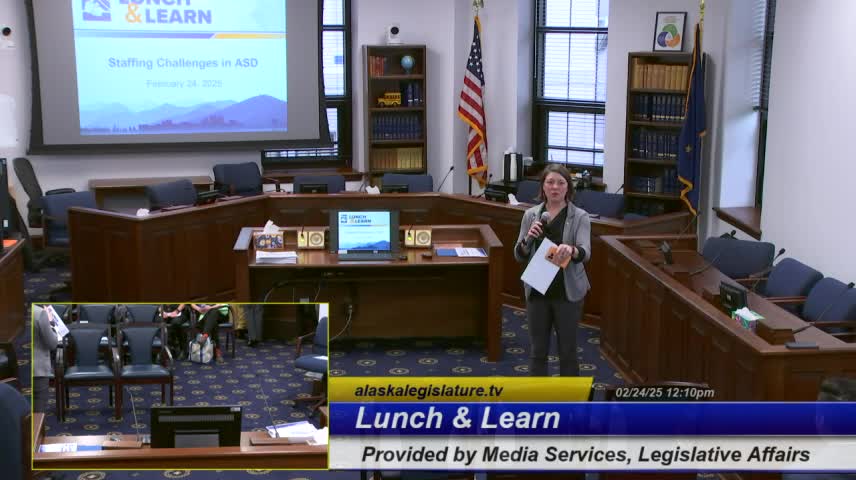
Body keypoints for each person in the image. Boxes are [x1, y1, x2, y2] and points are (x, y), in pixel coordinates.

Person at [513, 164, 591, 377]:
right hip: (538, 289)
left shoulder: (580, 216)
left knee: (568, 351)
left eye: (560, 183)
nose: (555, 187)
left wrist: (572, 250)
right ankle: (539, 396)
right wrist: (528, 239)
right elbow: (519, 254)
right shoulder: (531, 215)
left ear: (568, 188)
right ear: (543, 187)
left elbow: (585, 252)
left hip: (567, 291)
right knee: (537, 351)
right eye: (550, 182)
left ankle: (570, 397)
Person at [33, 307, 59, 413]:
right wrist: (51, 324)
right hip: (37, 370)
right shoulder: (39, 313)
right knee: (38, 411)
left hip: (14, 370)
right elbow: (52, 343)